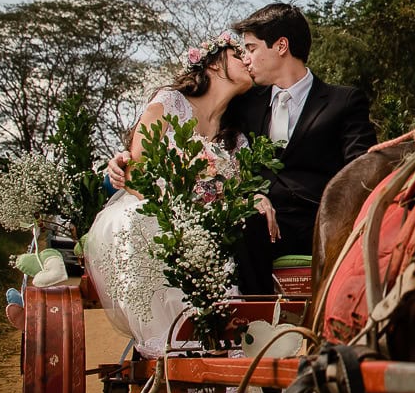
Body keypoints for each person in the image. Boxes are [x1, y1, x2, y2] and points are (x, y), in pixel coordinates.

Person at [109, 2, 377, 294]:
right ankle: (255, 326)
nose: (246, 58)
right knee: (244, 223)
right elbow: (198, 129)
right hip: (258, 221)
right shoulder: (245, 104)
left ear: (281, 46)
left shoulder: (343, 101)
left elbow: (361, 169)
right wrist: (124, 158)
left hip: (320, 221)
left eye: (250, 48)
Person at [85, 30, 276, 356]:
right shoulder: (169, 102)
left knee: (233, 230)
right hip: (154, 206)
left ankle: (224, 337)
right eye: (238, 53)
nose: (247, 59)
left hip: (207, 221)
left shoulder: (236, 139)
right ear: (213, 63)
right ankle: (172, 344)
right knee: (142, 222)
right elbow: (138, 173)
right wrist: (183, 202)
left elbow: (237, 190)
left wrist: (254, 197)